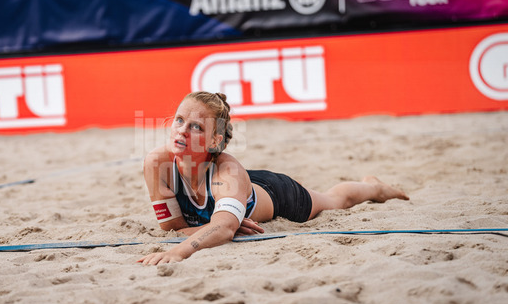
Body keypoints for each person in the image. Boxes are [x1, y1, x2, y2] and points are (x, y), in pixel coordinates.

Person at [138, 92, 408, 265]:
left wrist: (179, 252)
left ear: (214, 140)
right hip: (240, 189)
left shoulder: (227, 171)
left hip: (278, 195)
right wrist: (217, 226)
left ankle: (373, 187)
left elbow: (223, 229)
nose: (182, 131)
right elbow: (174, 228)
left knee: (337, 200)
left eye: (196, 126)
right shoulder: (157, 163)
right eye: (179, 120)